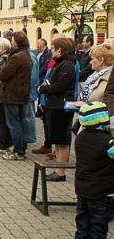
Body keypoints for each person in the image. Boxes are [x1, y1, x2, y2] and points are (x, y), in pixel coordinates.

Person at [74, 102, 114, 239]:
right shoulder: (108, 143)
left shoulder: (81, 138)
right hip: (102, 193)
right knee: (98, 231)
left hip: (83, 191)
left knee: (83, 227)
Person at [38, 35, 77, 181]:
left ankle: (61, 171)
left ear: (60, 50)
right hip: (54, 105)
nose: (52, 51)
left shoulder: (67, 64)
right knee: (58, 140)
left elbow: (60, 86)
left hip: (61, 106)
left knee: (62, 139)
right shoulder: (60, 63)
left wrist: (43, 88)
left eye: (54, 48)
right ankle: (59, 169)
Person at [0, 31, 32, 161]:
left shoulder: (17, 57)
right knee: (19, 123)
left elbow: (3, 74)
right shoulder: (27, 55)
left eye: (13, 41)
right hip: (21, 93)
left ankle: (18, 151)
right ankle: (20, 149)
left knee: (14, 124)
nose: (11, 43)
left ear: (17, 42)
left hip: (12, 94)